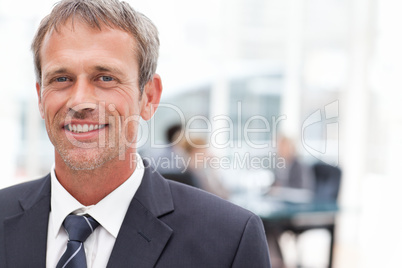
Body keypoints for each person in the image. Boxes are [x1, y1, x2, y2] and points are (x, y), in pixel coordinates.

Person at [0, 0, 271, 267]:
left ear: (149, 97)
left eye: (105, 78)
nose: (79, 100)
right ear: (40, 97)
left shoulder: (229, 239)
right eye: (61, 79)